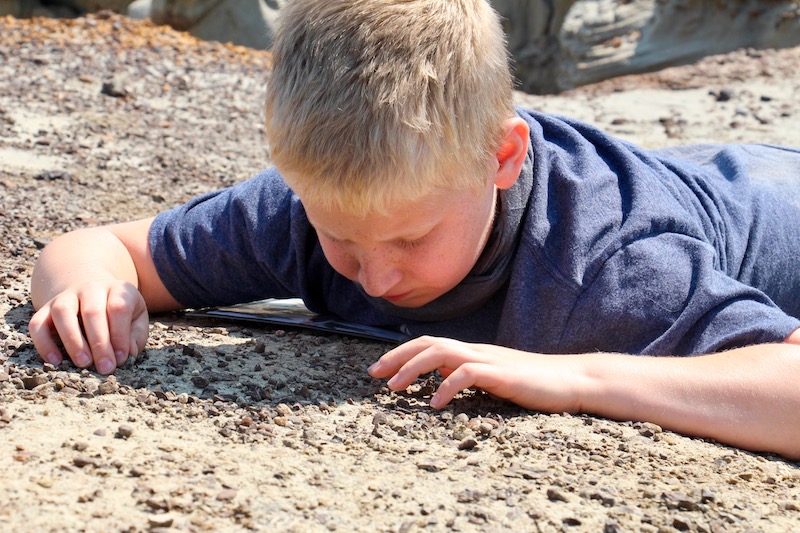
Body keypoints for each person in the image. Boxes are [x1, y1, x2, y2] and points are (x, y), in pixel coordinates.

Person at [28, 0, 800, 459]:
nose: (377, 275)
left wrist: (581, 375)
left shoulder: (611, 268)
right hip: (683, 169)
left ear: (500, 159)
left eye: (409, 239)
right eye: (345, 241)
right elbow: (96, 245)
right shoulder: (312, 207)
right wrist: (89, 288)